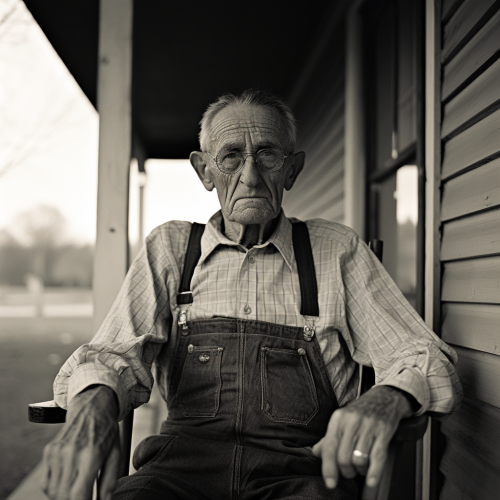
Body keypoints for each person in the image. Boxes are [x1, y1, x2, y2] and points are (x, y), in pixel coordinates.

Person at [41, 90, 462, 500]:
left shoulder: (336, 251)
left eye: (267, 154)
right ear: (205, 171)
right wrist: (92, 405)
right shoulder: (170, 250)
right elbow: (113, 352)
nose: (250, 176)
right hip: (177, 475)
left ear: (292, 170)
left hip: (301, 477)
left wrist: (387, 398)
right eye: (230, 157)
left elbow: (424, 355)